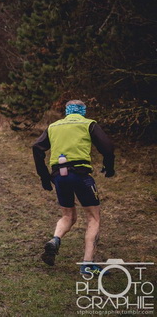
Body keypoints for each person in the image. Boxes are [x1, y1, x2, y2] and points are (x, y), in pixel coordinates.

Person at [32, 100, 115, 276]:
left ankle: (55, 239)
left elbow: (37, 147)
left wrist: (45, 177)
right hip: (81, 175)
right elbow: (107, 147)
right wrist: (109, 166)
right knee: (93, 218)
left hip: (59, 176)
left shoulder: (54, 126)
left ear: (67, 111)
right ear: (83, 111)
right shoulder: (88, 124)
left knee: (68, 215)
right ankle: (87, 264)